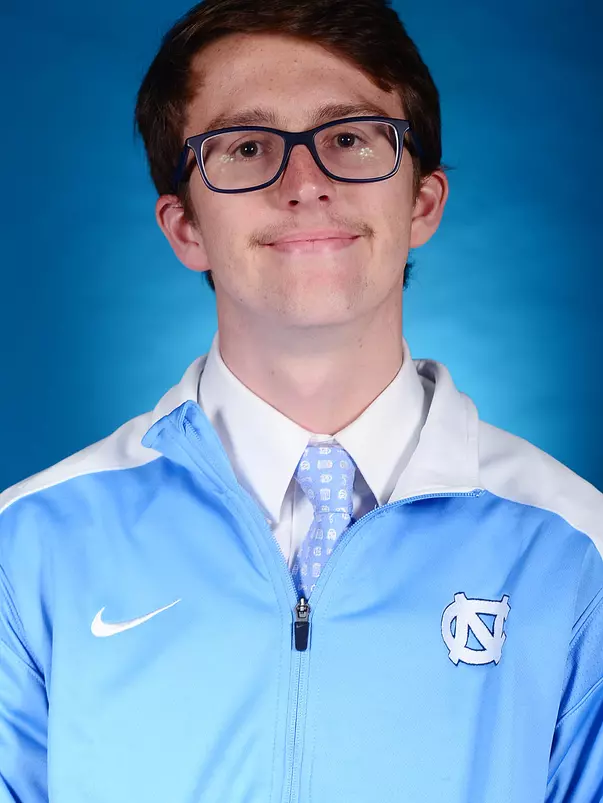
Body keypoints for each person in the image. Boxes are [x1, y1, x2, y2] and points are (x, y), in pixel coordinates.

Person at [0, 0, 602, 800]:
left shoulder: (577, 551)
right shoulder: (28, 548)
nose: (306, 183)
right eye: (246, 147)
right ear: (185, 228)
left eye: (349, 137)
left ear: (422, 200)